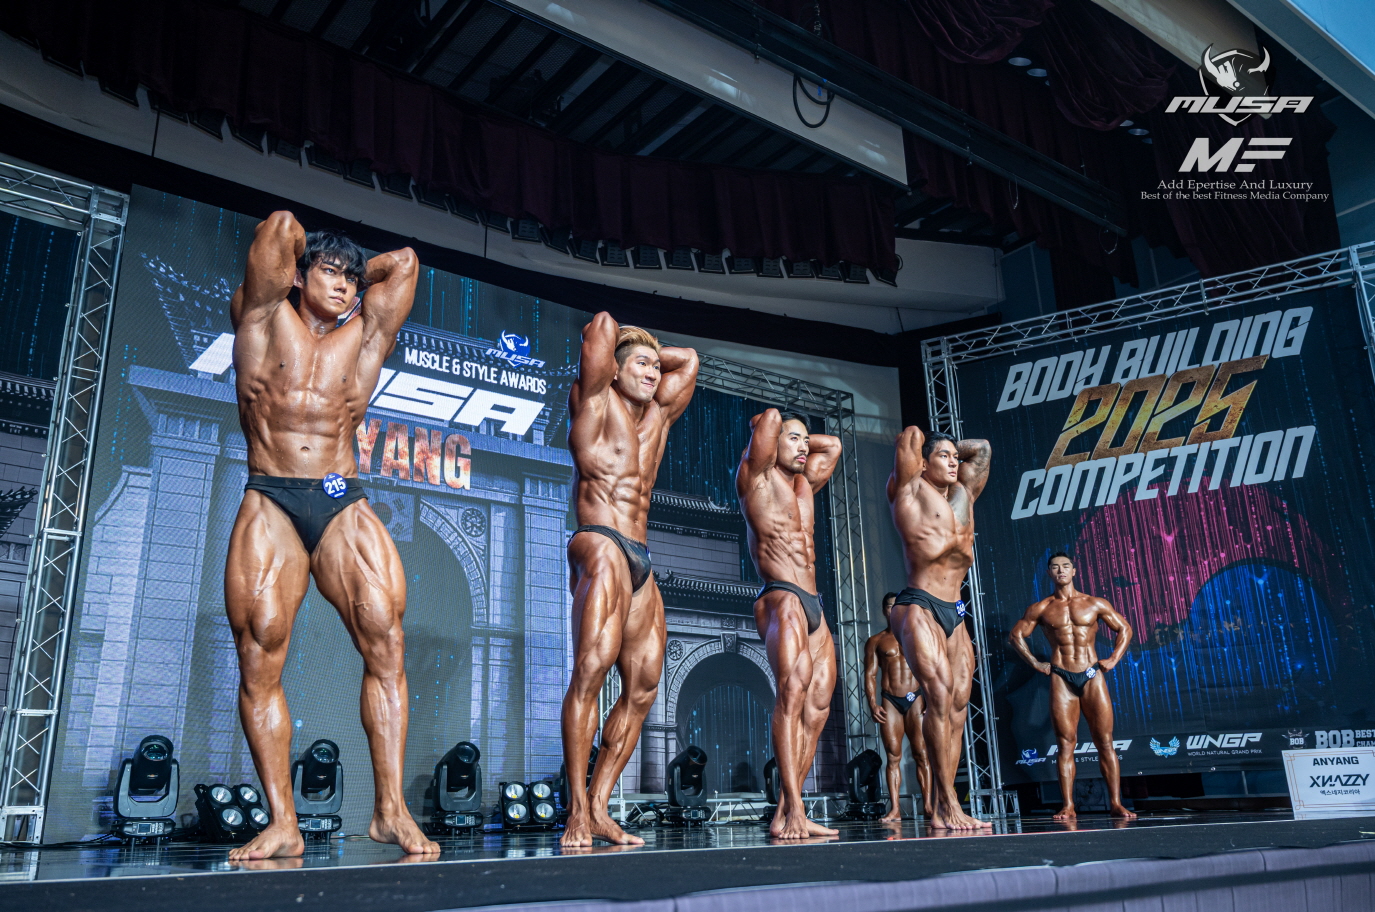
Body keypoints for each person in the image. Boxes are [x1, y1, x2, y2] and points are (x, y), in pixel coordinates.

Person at [224, 212, 437, 859]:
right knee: (260, 649)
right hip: (272, 495)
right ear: (297, 275)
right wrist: (306, 256)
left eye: (351, 278)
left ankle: (390, 811)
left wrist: (353, 264)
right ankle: (283, 822)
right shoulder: (262, 315)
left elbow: (404, 262)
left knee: (386, 637)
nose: (344, 285)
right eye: (330, 272)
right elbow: (280, 227)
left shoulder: (365, 335)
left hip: (340, 494)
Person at [561, 314, 698, 847]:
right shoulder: (594, 400)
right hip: (599, 539)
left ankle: (599, 806)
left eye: (655, 367)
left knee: (643, 689)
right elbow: (600, 326)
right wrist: (629, 345)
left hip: (641, 555)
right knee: (591, 671)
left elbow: (690, 362)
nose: (652, 372)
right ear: (612, 370)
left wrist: (649, 353)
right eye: (640, 364)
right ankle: (575, 811)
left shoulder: (658, 417)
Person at [736, 409, 842, 839]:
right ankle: (794, 808)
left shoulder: (804, 485)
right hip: (781, 595)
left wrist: (798, 438)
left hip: (814, 602)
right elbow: (770, 421)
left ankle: (788, 810)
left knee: (817, 710)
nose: (804, 447)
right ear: (770, 441)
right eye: (794, 439)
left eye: (805, 441)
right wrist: (775, 426)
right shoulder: (754, 477)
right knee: (792, 694)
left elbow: (833, 446)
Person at [886, 427, 993, 831]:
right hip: (919, 604)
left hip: (955, 610)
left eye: (954, 457)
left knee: (960, 706)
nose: (952, 462)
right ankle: (946, 803)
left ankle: (945, 805)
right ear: (923, 462)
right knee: (940, 697)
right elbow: (911, 436)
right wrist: (931, 449)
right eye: (943, 457)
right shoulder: (908, 489)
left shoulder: (963, 495)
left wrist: (949, 449)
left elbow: (981, 448)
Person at [1009, 552, 1136, 819]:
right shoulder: (1041, 608)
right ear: (1049, 573)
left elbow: (1125, 628)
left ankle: (1116, 803)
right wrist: (1035, 663)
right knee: (1065, 743)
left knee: (1105, 741)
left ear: (1074, 571)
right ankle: (1068, 805)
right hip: (1061, 676)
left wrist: (1113, 659)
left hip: (1091, 674)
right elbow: (1016, 635)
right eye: (1055, 567)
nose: (1061, 570)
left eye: (1065, 566)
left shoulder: (1094, 603)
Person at [864, 592, 933, 820]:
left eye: (897, 605)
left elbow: (929, 669)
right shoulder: (876, 641)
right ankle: (894, 809)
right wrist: (872, 704)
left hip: (915, 698)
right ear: (884, 610)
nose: (893, 610)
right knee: (893, 756)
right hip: (890, 701)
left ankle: (928, 806)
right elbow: (870, 674)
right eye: (889, 606)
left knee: (921, 753)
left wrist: (930, 699)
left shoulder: (917, 636)